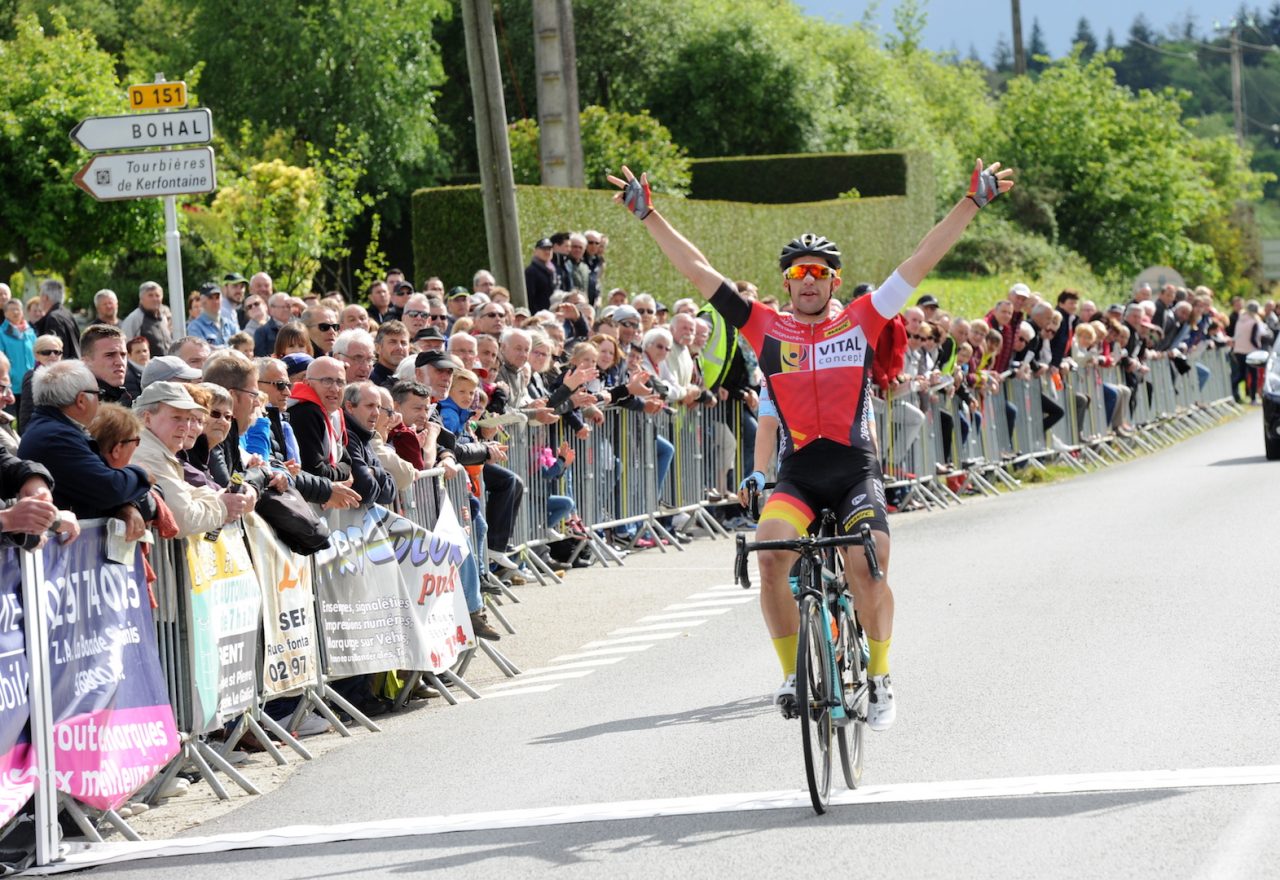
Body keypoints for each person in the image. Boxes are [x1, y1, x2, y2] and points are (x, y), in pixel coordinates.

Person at [609, 158, 1013, 730]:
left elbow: (921, 259)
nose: (808, 282)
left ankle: (879, 674)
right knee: (771, 556)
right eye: (798, 274)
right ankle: (792, 675)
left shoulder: (863, 318)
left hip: (854, 470)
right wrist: (648, 214)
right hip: (798, 473)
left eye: (818, 274)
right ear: (786, 283)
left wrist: (971, 203)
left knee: (866, 567)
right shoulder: (764, 326)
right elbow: (699, 270)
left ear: (833, 282)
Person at [17, 360, 152, 533]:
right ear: (81, 400)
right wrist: (141, 472)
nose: (100, 402)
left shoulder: (57, 430)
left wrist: (127, 505)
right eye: (99, 394)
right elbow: (109, 488)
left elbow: (98, 488)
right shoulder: (56, 437)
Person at [130, 381, 256, 539]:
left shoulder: (157, 450)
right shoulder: (148, 453)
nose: (186, 427)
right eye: (176, 418)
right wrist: (223, 506)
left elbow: (188, 491)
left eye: (189, 419)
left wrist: (218, 498)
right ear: (147, 419)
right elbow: (183, 520)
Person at [120, 281, 173, 359]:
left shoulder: (163, 318)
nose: (154, 299)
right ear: (141, 299)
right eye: (150, 295)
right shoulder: (134, 319)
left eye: (157, 295)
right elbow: (124, 346)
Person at [0, 299, 35, 417]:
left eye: (18, 309)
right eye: (12, 309)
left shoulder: (29, 332)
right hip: (10, 386)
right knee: (7, 420)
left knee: (27, 421)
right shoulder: (1, 333)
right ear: (5, 313)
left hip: (29, 385)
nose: (16, 312)